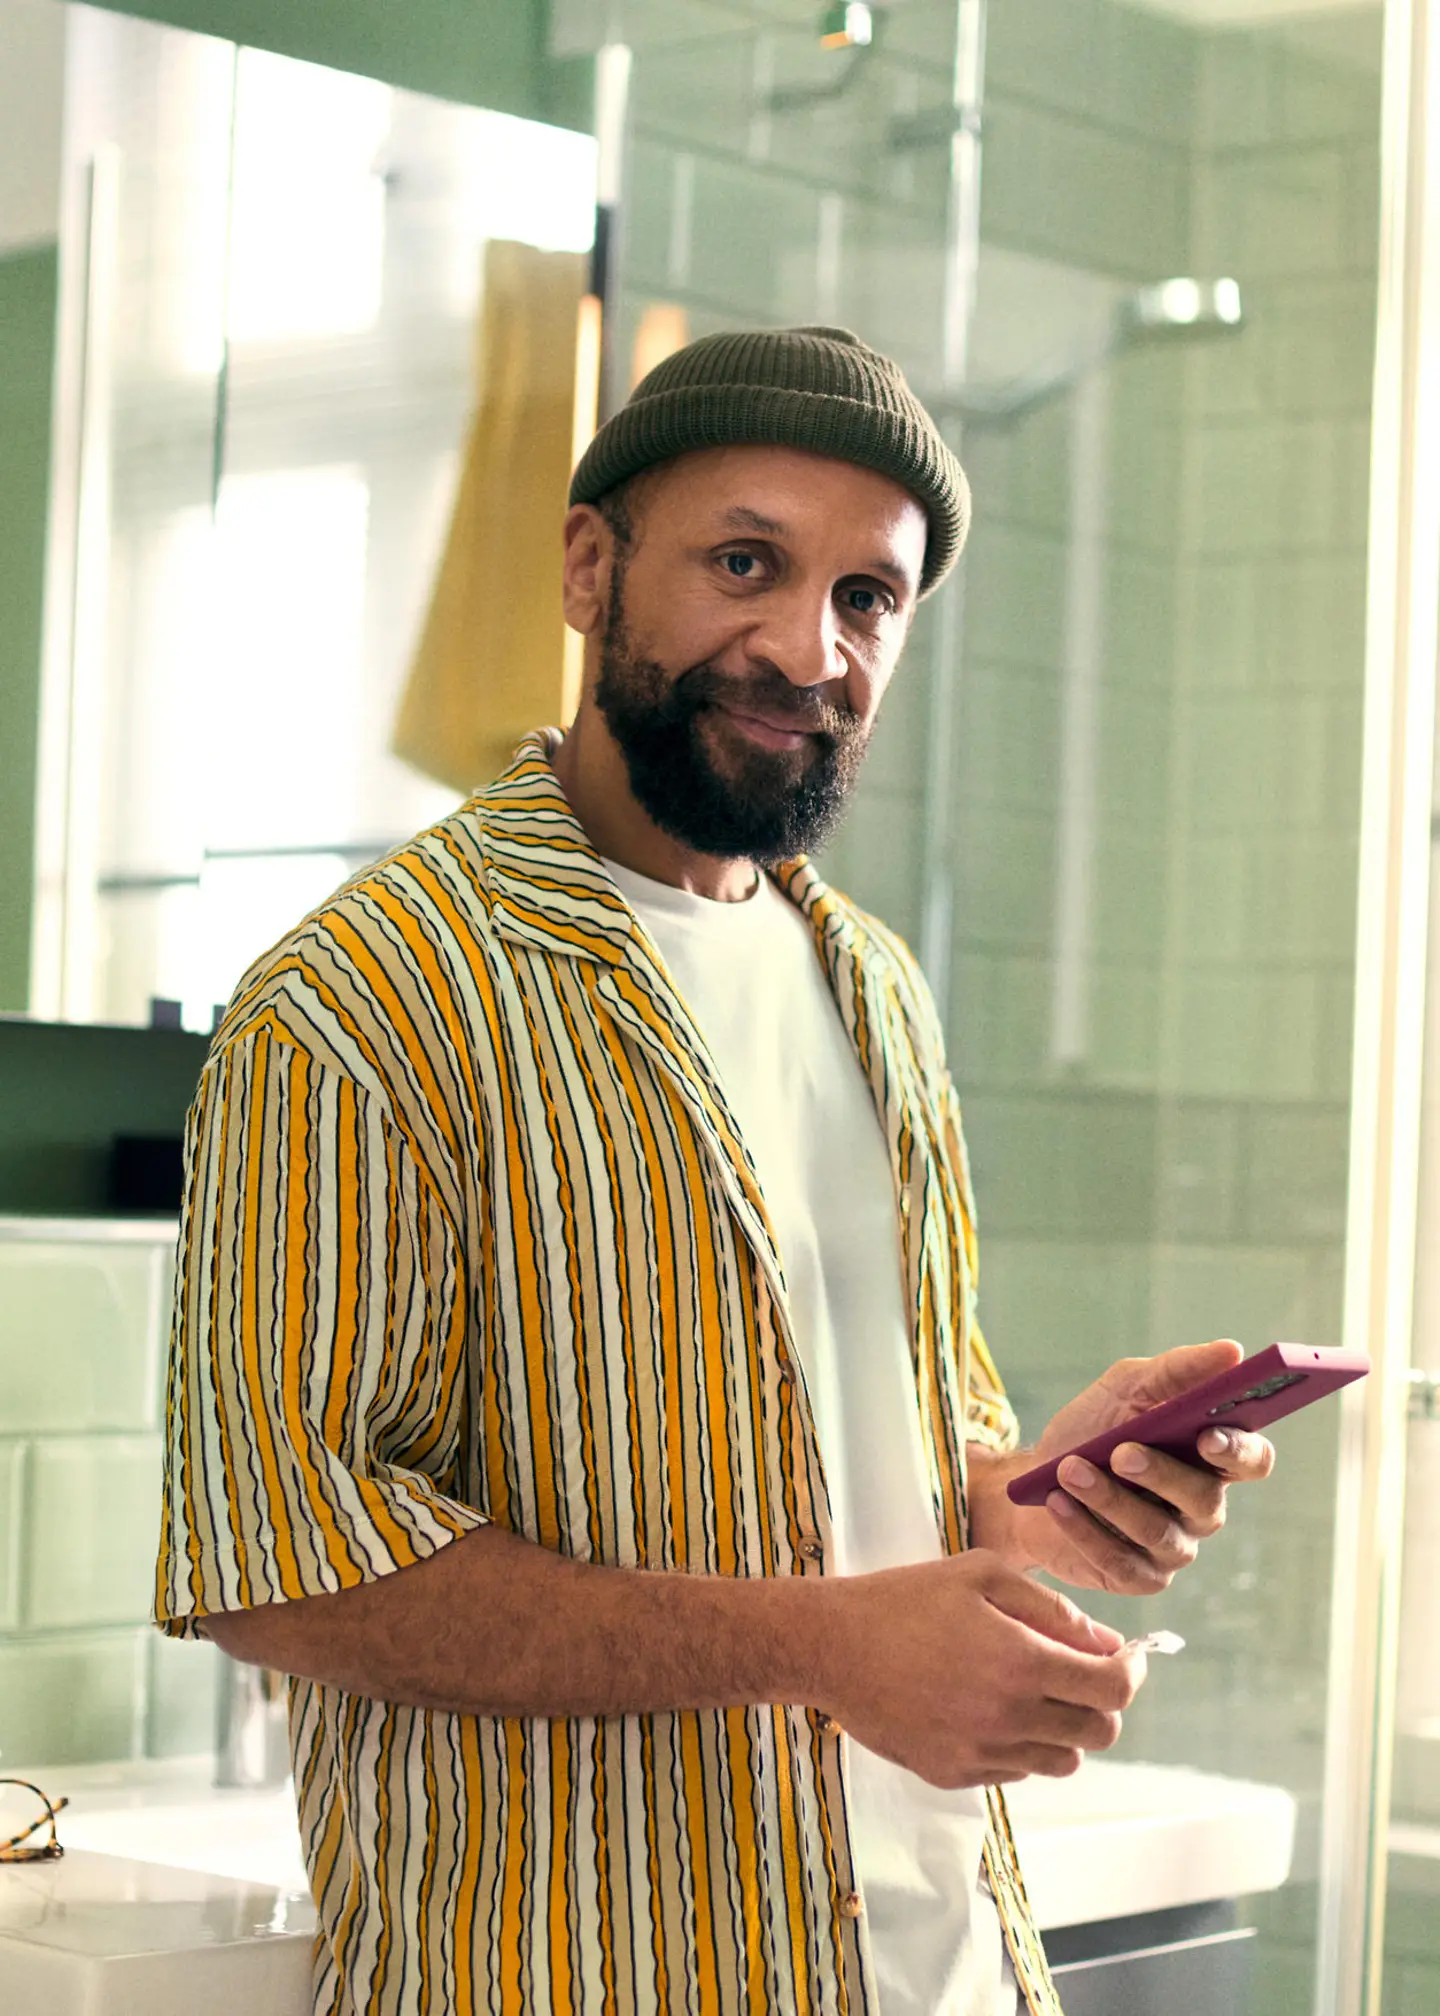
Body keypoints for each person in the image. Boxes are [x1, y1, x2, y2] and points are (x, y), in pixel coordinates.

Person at [155, 326, 1275, 2016]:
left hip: (949, 1971)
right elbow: (274, 1563)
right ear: (591, 569)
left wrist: (1050, 1488)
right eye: (744, 562)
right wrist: (822, 1646)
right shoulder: (367, 1004)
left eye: (866, 599)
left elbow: (876, 1462)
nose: (803, 646)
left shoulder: (873, 988)